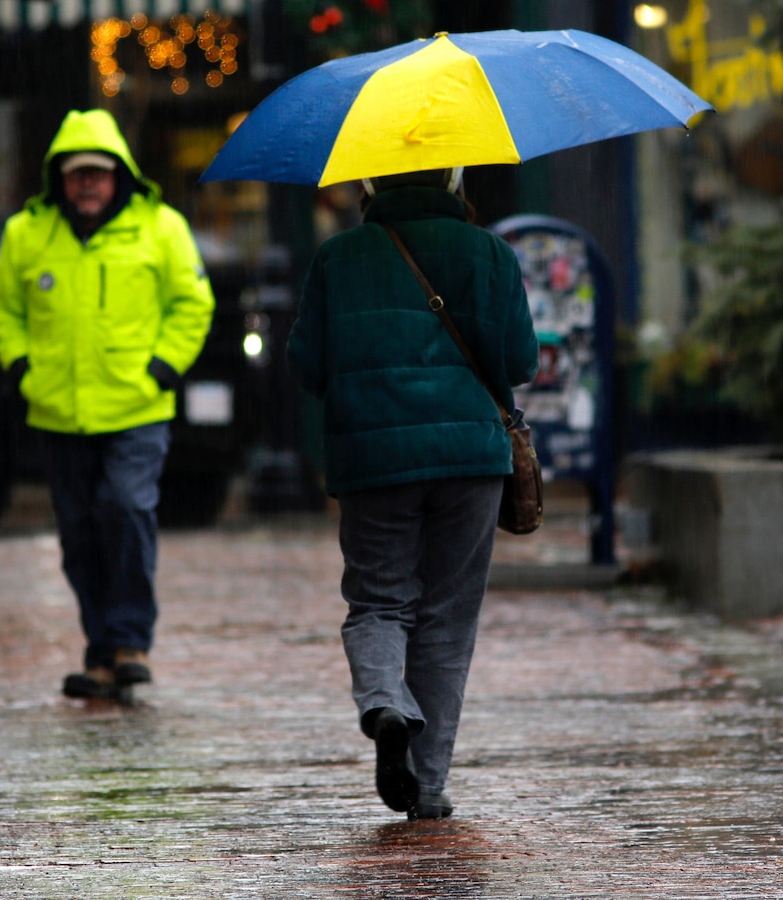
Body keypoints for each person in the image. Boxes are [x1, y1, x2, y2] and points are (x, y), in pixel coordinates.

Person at [287, 167, 538, 819]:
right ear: (454, 179)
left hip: (373, 458)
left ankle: (385, 704)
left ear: (369, 183)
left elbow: (306, 364)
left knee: (378, 601)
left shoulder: (337, 257)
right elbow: (519, 362)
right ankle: (426, 787)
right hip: (470, 460)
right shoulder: (490, 253)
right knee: (447, 617)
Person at [0, 109, 215, 700]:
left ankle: (130, 640)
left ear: (121, 176)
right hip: (59, 411)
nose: (87, 183)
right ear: (57, 178)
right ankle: (102, 652)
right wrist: (22, 367)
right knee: (79, 534)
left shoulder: (160, 228)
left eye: (99, 173)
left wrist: (162, 368)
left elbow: (193, 303)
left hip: (137, 407)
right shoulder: (25, 234)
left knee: (127, 509)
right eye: (76, 173)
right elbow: (1, 306)